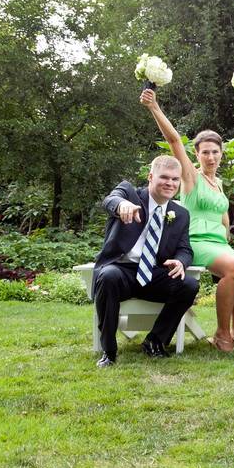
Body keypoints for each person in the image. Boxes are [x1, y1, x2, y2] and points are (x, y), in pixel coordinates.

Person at [141, 88, 234, 352]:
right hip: (195, 241)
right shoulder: (191, 177)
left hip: (219, 242)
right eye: (205, 152)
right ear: (197, 155)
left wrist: (227, 235)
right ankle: (221, 333)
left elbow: (223, 215)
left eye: (215, 152)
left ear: (221, 153)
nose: (211, 157)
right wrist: (154, 107)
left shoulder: (219, 183)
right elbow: (174, 141)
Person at [91, 156, 199, 367]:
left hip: (153, 274)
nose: (170, 183)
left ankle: (155, 341)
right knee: (108, 276)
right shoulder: (130, 194)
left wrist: (180, 262)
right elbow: (110, 199)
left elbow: (185, 248)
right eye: (164, 177)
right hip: (122, 271)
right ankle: (109, 351)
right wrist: (121, 204)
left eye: (175, 179)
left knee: (189, 285)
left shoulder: (181, 214)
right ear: (150, 177)